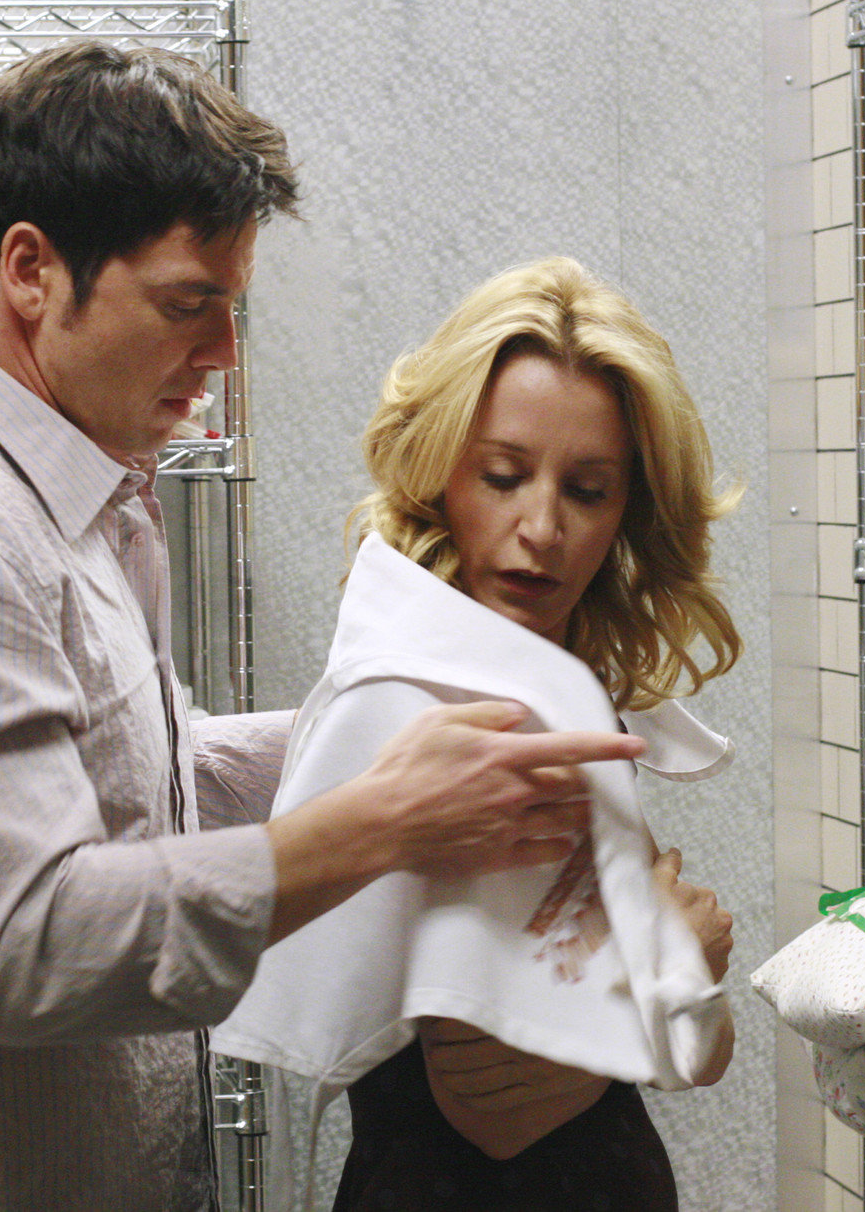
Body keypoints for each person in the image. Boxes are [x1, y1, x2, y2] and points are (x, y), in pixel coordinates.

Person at [0, 45, 645, 1211]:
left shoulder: (62, 498)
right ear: (31, 270)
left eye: (231, 305)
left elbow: (153, 779)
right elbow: (33, 942)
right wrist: (385, 816)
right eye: (188, 304)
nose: (222, 351)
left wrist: (413, 720)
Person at [316, 256, 739, 1210]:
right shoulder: (435, 708)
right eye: (503, 476)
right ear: (439, 474)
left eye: (588, 491)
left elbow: (701, 1050)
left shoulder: (559, 690)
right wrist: (671, 953)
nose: (541, 526)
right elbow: (488, 1100)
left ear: (628, 512)